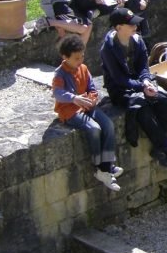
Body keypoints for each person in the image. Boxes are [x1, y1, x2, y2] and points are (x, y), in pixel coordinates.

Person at [100, 7, 167, 167]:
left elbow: (143, 68)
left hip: (139, 84)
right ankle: (166, 145)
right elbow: (119, 79)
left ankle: (159, 146)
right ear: (118, 28)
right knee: (141, 106)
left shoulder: (137, 41)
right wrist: (141, 87)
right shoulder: (108, 48)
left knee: (163, 99)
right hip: (119, 89)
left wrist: (145, 81)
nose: (135, 27)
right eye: (130, 25)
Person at [52, 35, 123, 192]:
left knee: (108, 125)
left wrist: (92, 97)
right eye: (77, 58)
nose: (80, 60)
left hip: (87, 106)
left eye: (82, 56)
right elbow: (57, 93)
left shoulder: (83, 68)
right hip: (69, 111)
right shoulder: (60, 74)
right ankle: (100, 168)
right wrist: (74, 98)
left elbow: (91, 87)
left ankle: (107, 166)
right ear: (65, 57)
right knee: (94, 129)